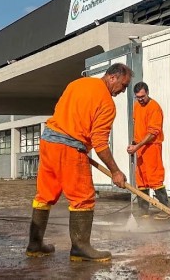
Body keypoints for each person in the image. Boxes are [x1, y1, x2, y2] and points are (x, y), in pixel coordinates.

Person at [26, 63, 132, 262]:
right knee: (83, 197)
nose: (123, 90)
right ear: (112, 77)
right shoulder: (107, 103)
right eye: (124, 85)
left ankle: (34, 244)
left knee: (44, 195)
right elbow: (100, 144)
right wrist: (116, 171)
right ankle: (80, 247)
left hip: (49, 142)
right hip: (70, 149)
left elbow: (60, 111)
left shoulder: (77, 83)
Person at [127, 82, 168, 219]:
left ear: (148, 93)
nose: (140, 99)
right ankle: (143, 210)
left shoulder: (154, 108)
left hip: (152, 146)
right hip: (140, 147)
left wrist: (137, 146)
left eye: (142, 96)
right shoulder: (136, 106)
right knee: (142, 179)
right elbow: (136, 124)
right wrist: (134, 142)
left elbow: (153, 132)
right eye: (138, 97)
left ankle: (165, 210)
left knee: (154, 177)